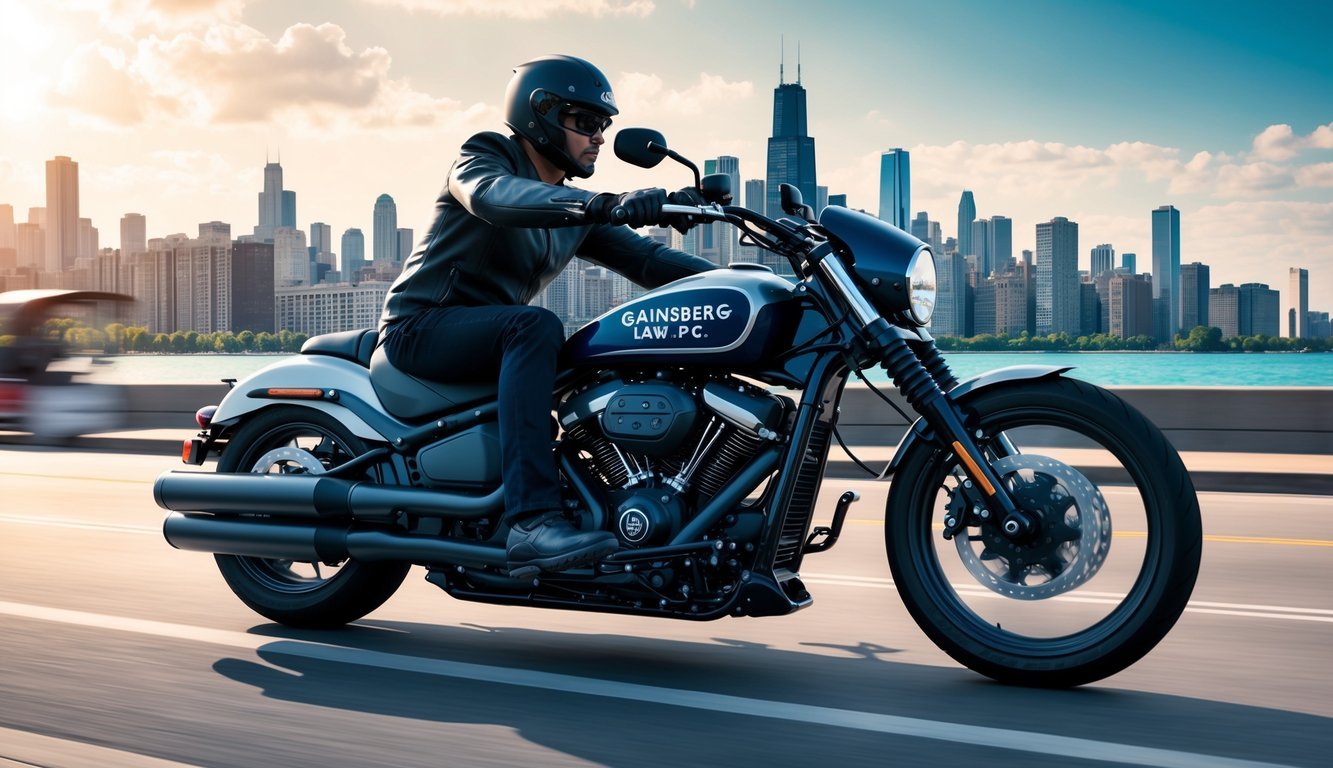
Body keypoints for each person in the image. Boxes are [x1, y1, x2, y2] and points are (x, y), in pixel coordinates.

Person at [378, 54, 717, 579]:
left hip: (490, 337)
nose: (598, 137)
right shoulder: (487, 156)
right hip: (421, 328)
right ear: (541, 114)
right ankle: (532, 522)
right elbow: (492, 197)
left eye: (603, 126)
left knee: (594, 359)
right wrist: (605, 203)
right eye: (585, 123)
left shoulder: (569, 209)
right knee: (536, 325)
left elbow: (647, 260)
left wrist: (740, 281)